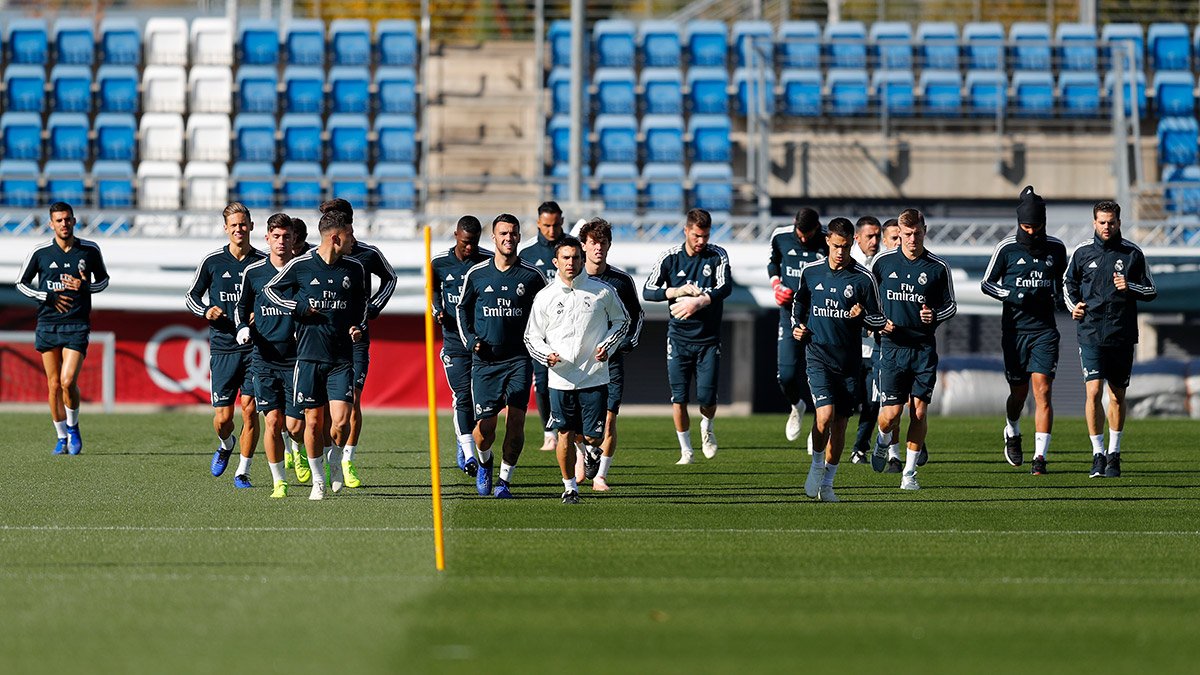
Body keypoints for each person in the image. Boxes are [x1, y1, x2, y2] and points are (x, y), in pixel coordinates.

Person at [264, 209, 368, 500]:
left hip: (341, 358)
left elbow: (362, 304)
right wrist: (298, 308)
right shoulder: (302, 265)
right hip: (308, 357)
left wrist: (357, 325)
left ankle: (336, 461)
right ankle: (318, 481)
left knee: (340, 421)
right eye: (349, 234)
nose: (353, 240)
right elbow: (270, 290)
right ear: (336, 237)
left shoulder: (354, 268)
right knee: (309, 423)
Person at [524, 237, 630, 504]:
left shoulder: (602, 291)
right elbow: (531, 336)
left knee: (594, 436)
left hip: (594, 375)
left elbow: (622, 320)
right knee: (564, 434)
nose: (571, 263)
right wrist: (545, 355)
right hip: (560, 379)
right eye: (566, 258)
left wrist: (608, 345)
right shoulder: (545, 296)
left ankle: (592, 453)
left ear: (582, 260)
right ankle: (570, 487)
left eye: (575, 258)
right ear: (555, 262)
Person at [792, 218, 884, 502]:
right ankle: (816, 466)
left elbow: (879, 319)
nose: (840, 252)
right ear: (827, 242)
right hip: (818, 356)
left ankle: (829, 483)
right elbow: (800, 304)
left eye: (845, 247)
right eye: (835, 246)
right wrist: (798, 326)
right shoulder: (811, 273)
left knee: (841, 425)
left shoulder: (862, 278)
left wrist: (863, 317)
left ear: (851, 244)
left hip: (848, 362)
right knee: (824, 416)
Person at [456, 214, 547, 498]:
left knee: (516, 421)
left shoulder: (532, 276)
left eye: (514, 233)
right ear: (493, 238)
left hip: (519, 360)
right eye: (503, 233)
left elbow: (548, 310)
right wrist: (471, 340)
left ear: (519, 237)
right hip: (485, 363)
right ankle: (485, 463)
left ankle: (504, 481)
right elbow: (462, 310)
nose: (509, 238)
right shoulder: (478, 274)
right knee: (484, 430)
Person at [1064, 200, 1157, 478]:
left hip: (1121, 333)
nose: (1107, 227)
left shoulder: (1132, 253)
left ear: (1119, 222)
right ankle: (1097, 453)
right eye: (1102, 222)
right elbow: (1067, 284)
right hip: (1090, 333)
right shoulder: (1081, 253)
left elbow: (1151, 289)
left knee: (1116, 395)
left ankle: (1114, 454)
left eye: (1112, 222)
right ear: (1094, 223)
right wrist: (1074, 306)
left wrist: (1129, 287)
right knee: (1093, 392)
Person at [981, 186, 1068, 475]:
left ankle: (1040, 458)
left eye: (1036, 226)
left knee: (1042, 390)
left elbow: (1064, 284)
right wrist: (1013, 294)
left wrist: (1061, 298)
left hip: (1045, 331)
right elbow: (987, 283)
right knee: (1018, 394)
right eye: (1025, 226)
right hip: (1015, 331)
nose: (1031, 232)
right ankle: (1012, 429)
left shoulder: (1056, 248)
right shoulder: (1006, 248)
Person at [869, 209, 957, 490]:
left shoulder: (937, 267)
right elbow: (868, 299)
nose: (911, 239)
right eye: (906, 234)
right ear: (899, 234)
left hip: (922, 349)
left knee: (918, 412)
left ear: (924, 230)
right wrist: (878, 323)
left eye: (916, 233)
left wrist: (935, 315)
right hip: (892, 348)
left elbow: (950, 305)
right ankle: (882, 440)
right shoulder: (882, 263)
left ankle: (909, 473)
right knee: (891, 414)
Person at [16, 202, 109, 455]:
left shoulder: (89, 250)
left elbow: (103, 281)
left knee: (68, 381)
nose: (64, 224)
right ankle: (60, 437)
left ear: (74, 220)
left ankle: (73, 427)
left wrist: (84, 287)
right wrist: (46, 296)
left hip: (77, 323)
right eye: (58, 220)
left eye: (67, 219)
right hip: (48, 323)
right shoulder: (40, 252)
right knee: (54, 384)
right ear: (51, 224)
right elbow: (21, 284)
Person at [643, 209, 733, 464]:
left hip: (708, 339)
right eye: (696, 236)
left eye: (705, 236)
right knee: (678, 397)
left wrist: (701, 301)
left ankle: (707, 426)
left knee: (706, 397)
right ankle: (686, 451)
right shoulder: (670, 258)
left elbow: (725, 286)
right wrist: (674, 291)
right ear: (686, 231)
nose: (701, 241)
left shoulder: (717, 255)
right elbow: (648, 291)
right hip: (678, 339)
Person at [318, 199, 397, 489]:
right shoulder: (316, 257)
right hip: (322, 340)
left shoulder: (366, 254)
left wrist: (373, 308)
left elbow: (390, 278)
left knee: (352, 400)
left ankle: (346, 459)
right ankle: (325, 456)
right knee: (323, 406)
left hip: (356, 338)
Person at [185, 202, 266, 487]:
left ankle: (242, 471)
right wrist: (206, 310)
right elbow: (191, 297)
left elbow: (276, 294)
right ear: (225, 229)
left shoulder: (263, 262)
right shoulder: (213, 262)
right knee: (222, 418)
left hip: (256, 348)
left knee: (250, 409)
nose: (239, 229)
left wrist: (262, 311)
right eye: (233, 225)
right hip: (222, 347)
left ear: (252, 226)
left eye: (243, 224)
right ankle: (226, 443)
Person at [234, 213, 306, 497]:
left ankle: (298, 447)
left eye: (286, 237)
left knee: (295, 425)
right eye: (275, 236)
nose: (281, 242)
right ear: (267, 238)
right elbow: (242, 307)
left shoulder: (304, 270)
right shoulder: (254, 272)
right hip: (263, 358)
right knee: (272, 422)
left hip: (296, 358)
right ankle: (279, 482)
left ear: (293, 240)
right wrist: (241, 326)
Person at [577, 218, 644, 491]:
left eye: (603, 243)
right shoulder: (574, 279)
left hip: (611, 362)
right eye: (593, 243)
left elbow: (636, 316)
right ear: (584, 245)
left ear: (609, 245)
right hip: (579, 363)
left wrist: (626, 343)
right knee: (580, 421)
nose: (598, 248)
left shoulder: (621, 281)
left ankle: (601, 475)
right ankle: (585, 454)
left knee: (609, 418)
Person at [431, 215, 493, 478]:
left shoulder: (488, 261)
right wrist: (437, 311)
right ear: (456, 235)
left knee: (482, 402)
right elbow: (432, 292)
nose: (470, 248)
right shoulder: (439, 263)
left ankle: (469, 442)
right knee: (462, 396)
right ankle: (470, 457)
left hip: (481, 342)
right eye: (466, 242)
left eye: (475, 243)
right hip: (455, 342)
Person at [767, 208, 828, 448]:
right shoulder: (780, 236)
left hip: (821, 315)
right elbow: (773, 263)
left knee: (823, 375)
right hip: (790, 313)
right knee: (787, 375)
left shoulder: (826, 240)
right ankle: (797, 406)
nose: (803, 239)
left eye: (808, 234)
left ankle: (820, 427)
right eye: (800, 234)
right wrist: (776, 285)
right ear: (794, 224)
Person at [518, 201, 567, 452]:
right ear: (538, 223)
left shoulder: (572, 249)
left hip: (570, 327)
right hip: (542, 331)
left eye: (556, 225)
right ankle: (550, 431)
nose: (551, 230)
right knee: (543, 379)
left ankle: (571, 429)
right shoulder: (527, 254)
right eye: (547, 225)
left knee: (572, 381)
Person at [848, 216, 882, 464]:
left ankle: (860, 448)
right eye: (870, 236)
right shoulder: (846, 266)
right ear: (856, 238)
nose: (875, 241)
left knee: (873, 401)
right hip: (849, 347)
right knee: (846, 402)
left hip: (875, 347)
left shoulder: (882, 265)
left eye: (878, 236)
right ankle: (823, 435)